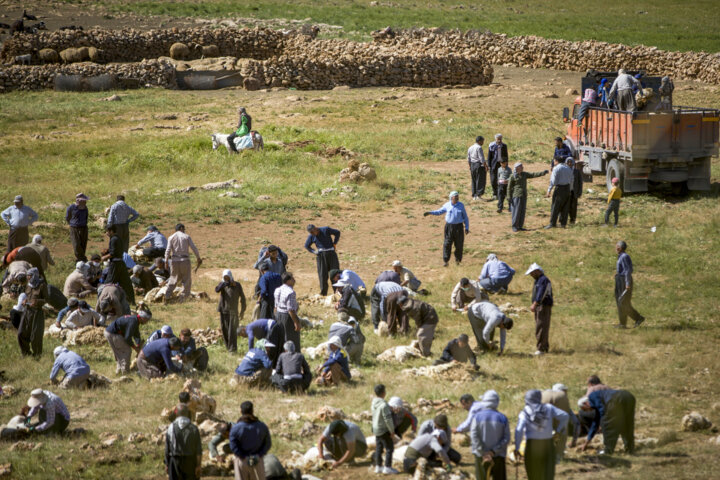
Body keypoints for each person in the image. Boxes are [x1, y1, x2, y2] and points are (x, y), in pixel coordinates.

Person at [514, 390, 569, 480]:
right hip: (547, 444)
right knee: (548, 472)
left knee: (533, 472)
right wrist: (558, 431)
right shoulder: (549, 408)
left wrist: (517, 447)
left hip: (532, 445)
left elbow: (519, 430)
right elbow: (565, 416)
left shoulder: (525, 412)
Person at [578, 388, 636, 455]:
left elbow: (602, 409)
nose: (588, 411)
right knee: (627, 423)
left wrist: (602, 424)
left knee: (607, 425)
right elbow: (595, 424)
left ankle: (608, 451)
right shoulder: (599, 400)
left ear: (585, 403)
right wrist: (587, 442)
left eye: (585, 409)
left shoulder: (592, 396)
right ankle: (630, 449)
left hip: (615, 399)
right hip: (628, 396)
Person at [470, 390, 510, 480]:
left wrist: (483, 452)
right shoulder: (502, 418)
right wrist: (493, 452)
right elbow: (506, 438)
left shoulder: (477, 417)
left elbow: (474, 435)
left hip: (481, 456)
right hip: (498, 456)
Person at [424, 191, 470, 266]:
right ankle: (446, 261)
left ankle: (458, 261)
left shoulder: (461, 205)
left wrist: (467, 227)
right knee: (447, 244)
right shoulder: (447, 205)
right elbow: (439, 212)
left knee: (459, 245)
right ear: (451, 197)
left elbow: (465, 217)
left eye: (458, 196)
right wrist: (430, 212)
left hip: (459, 227)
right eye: (455, 196)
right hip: (449, 227)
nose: (457, 198)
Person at [229, 401, 271, 480]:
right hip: (258, 461)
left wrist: (243, 456)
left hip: (242, 461)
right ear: (252, 411)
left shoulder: (236, 428)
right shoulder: (262, 426)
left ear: (241, 411)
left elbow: (233, 446)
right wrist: (259, 455)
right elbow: (268, 444)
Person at [541, 384, 580, 461]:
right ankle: (558, 456)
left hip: (544, 396)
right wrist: (574, 440)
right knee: (562, 431)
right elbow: (576, 422)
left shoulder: (544, 393)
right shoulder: (562, 396)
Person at [164, 223, 202, 302]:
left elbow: (168, 250)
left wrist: (166, 261)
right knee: (186, 280)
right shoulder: (186, 237)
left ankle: (167, 296)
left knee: (173, 279)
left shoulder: (171, 237)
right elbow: (194, 248)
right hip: (185, 260)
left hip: (174, 261)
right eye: (184, 229)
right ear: (181, 228)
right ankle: (183, 298)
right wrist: (198, 258)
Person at [507, 162, 549, 232]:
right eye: (521, 166)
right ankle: (514, 226)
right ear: (517, 168)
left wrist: (543, 173)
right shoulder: (513, 176)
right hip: (517, 195)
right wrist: (508, 196)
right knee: (516, 212)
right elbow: (509, 187)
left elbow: (533, 174)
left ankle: (520, 226)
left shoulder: (524, 174)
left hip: (524, 195)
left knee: (522, 211)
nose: (522, 167)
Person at [165, 404, 202, 480]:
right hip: (190, 462)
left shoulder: (171, 427)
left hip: (174, 461)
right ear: (188, 413)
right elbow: (198, 450)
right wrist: (198, 465)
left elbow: (167, 448)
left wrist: (167, 464)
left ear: (176, 413)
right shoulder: (194, 429)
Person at [614, 241, 645, 328]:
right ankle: (622, 323)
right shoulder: (620, 256)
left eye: (616, 247)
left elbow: (628, 271)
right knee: (619, 302)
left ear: (619, 248)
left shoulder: (625, 256)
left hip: (624, 281)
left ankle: (638, 318)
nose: (615, 248)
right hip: (620, 279)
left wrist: (627, 284)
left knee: (623, 302)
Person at [102, 225, 135, 305]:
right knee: (126, 283)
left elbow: (113, 253)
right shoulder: (119, 238)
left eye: (107, 231)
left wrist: (104, 258)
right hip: (121, 263)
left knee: (109, 282)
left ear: (111, 231)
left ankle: (103, 299)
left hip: (115, 264)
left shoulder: (113, 239)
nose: (106, 233)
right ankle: (132, 301)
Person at [215, 269, 246, 352]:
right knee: (225, 330)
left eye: (228, 277)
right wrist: (224, 284)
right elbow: (217, 290)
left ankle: (233, 349)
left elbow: (243, 298)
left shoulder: (237, 285)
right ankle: (228, 348)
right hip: (223, 310)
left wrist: (242, 311)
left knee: (232, 331)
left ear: (231, 276)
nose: (226, 279)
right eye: (225, 277)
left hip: (233, 312)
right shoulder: (222, 285)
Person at [304, 224, 341, 296]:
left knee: (335, 273)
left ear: (315, 228)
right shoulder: (312, 236)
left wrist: (335, 243)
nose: (312, 233)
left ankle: (337, 293)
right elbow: (306, 245)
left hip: (331, 253)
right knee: (322, 275)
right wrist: (314, 251)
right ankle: (323, 294)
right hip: (321, 256)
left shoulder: (325, 229)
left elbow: (337, 232)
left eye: (312, 231)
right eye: (310, 233)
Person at [17, 268, 46, 357]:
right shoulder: (28, 286)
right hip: (27, 311)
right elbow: (27, 296)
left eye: (29, 275)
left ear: (34, 275)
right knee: (21, 333)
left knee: (35, 336)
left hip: (37, 313)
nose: (28, 277)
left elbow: (46, 299)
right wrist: (25, 301)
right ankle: (25, 353)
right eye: (27, 276)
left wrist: (37, 302)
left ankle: (37, 355)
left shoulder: (42, 285)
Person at [371, 384, 398, 475]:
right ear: (383, 393)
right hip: (383, 429)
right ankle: (387, 467)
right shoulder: (384, 405)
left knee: (379, 447)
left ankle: (378, 466)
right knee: (389, 448)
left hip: (375, 428)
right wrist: (392, 431)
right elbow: (388, 419)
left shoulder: (374, 402)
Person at [526, 263, 553, 355]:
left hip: (543, 306)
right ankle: (544, 347)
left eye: (532, 273)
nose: (531, 275)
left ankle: (541, 349)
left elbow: (542, 292)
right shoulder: (538, 280)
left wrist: (535, 303)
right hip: (539, 306)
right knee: (540, 326)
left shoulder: (543, 280)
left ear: (537, 271)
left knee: (541, 327)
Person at [274, 272, 302, 351]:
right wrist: (296, 322)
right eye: (292, 278)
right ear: (288, 281)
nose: (294, 280)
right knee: (292, 339)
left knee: (282, 338)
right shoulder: (290, 292)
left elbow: (275, 307)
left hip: (279, 315)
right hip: (287, 317)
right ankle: (293, 357)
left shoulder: (277, 290)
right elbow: (291, 310)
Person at [545, 157, 574, 229]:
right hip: (567, 188)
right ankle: (563, 223)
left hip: (559, 189)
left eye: (554, 161)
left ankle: (552, 223)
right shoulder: (568, 168)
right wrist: (570, 190)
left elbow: (553, 181)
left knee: (555, 206)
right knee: (565, 207)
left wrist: (549, 190)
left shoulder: (556, 168)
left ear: (556, 161)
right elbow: (571, 180)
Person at [65, 193, 89, 261]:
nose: (85, 202)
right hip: (74, 228)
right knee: (76, 244)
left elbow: (86, 217)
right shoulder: (71, 207)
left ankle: (81, 258)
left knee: (83, 244)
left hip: (84, 227)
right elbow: (67, 217)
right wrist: (72, 223)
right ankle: (81, 258)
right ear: (79, 201)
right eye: (83, 200)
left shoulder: (85, 208)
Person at [488, 134, 509, 200]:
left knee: (503, 178)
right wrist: (489, 165)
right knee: (493, 179)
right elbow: (489, 156)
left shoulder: (504, 146)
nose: (499, 140)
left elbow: (506, 156)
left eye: (500, 138)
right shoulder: (492, 146)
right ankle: (495, 193)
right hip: (494, 164)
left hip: (502, 164)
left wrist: (506, 164)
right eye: (498, 139)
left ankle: (503, 193)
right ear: (495, 139)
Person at [468, 135, 487, 200]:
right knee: (480, 180)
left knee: (474, 180)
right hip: (478, 165)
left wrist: (470, 166)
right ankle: (478, 195)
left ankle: (474, 195)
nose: (483, 143)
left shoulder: (470, 147)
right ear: (479, 141)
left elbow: (469, 158)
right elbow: (481, 158)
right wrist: (485, 166)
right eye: (482, 141)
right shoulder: (479, 148)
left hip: (472, 164)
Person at [568, 158, 584, 225]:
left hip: (574, 192)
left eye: (571, 162)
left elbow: (580, 183)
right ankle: (564, 219)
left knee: (574, 207)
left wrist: (580, 192)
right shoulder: (565, 171)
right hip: (567, 192)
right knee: (566, 206)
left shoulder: (577, 172)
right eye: (568, 162)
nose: (569, 164)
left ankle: (573, 220)